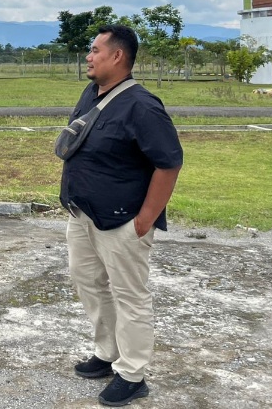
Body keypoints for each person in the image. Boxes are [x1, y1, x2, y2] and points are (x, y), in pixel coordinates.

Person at [59, 24, 182, 407]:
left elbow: (169, 163)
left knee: (130, 296)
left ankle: (132, 373)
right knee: (89, 284)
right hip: (83, 215)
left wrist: (145, 219)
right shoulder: (92, 93)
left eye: (95, 50)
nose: (88, 57)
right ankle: (107, 352)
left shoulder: (142, 106)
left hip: (122, 220)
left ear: (117, 56)